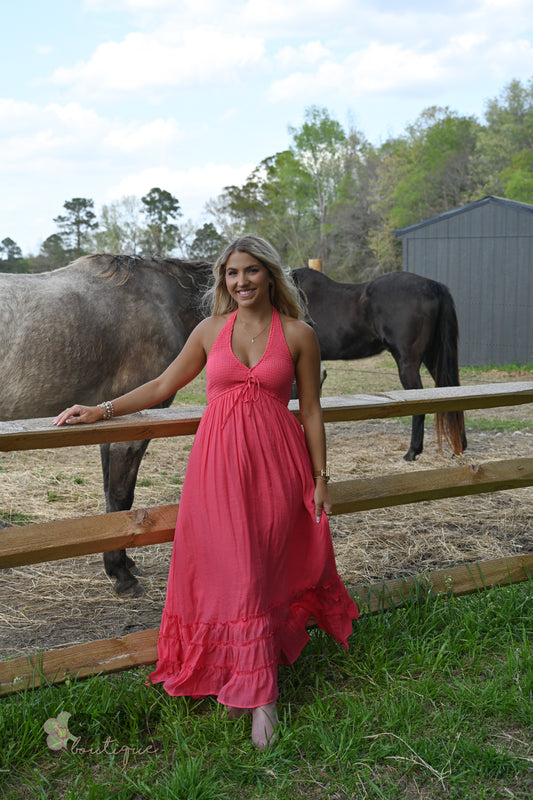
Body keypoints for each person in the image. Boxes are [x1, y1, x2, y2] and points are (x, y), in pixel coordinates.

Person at [53, 235, 359, 750]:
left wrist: (320, 478)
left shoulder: (300, 334)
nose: (241, 282)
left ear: (269, 276)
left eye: (251, 271)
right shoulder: (208, 331)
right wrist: (100, 410)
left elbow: (310, 410)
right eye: (232, 273)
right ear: (223, 280)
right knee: (231, 568)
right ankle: (243, 674)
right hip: (217, 469)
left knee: (262, 569)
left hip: (279, 466)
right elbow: (158, 386)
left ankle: (263, 693)